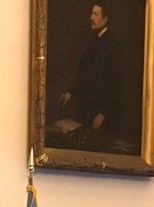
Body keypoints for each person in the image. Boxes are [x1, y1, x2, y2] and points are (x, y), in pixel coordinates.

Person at [50, 3, 123, 147]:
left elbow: (115, 84)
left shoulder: (112, 45)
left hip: (100, 115)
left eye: (95, 14)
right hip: (86, 110)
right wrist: (71, 92)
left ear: (105, 18)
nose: (91, 17)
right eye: (91, 13)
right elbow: (84, 74)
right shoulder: (94, 41)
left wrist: (102, 113)